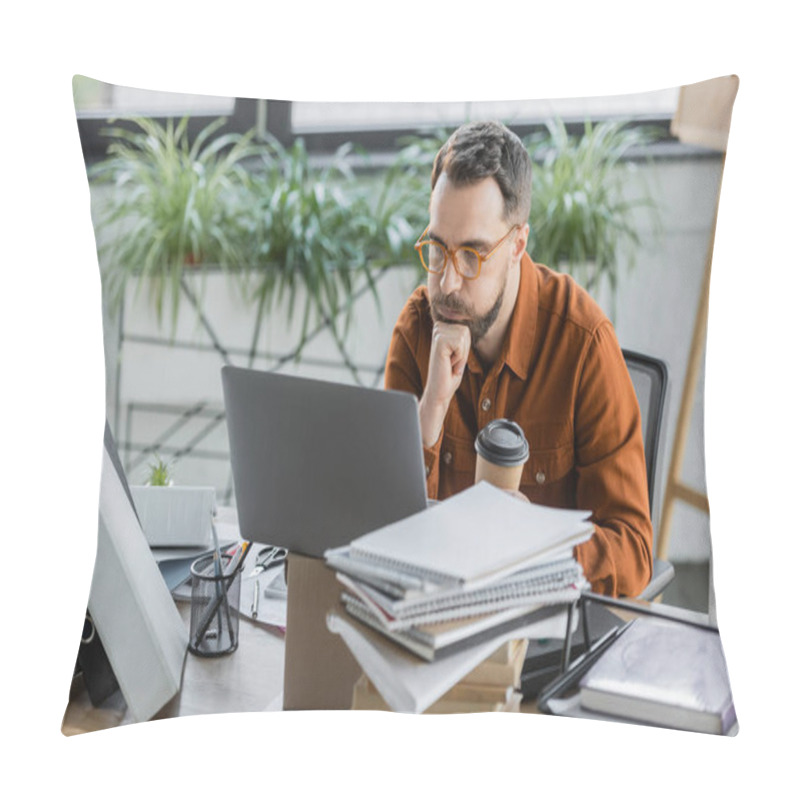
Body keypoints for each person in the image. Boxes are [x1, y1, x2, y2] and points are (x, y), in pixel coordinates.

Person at [384, 120, 652, 597]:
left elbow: (633, 553)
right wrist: (429, 416)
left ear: (518, 246)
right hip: (435, 626)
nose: (447, 282)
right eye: (438, 250)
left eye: (472, 255)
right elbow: (384, 534)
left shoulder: (584, 342)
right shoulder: (417, 330)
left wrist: (537, 544)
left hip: (545, 645)